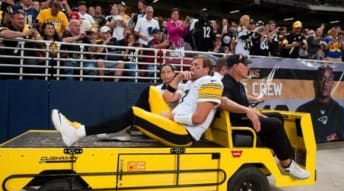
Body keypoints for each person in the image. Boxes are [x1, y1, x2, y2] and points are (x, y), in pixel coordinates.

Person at [51, 55, 223, 148]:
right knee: (151, 91)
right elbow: (168, 98)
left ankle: (78, 132)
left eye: (196, 66)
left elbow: (199, 119)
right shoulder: (193, 83)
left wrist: (172, 117)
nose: (191, 68)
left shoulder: (211, 82)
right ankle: (123, 129)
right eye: (191, 65)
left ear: (207, 69)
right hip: (173, 123)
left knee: (134, 113)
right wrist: (177, 79)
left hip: (183, 134)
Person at [221, 54, 310, 179]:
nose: (248, 67)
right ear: (236, 67)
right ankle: (287, 164)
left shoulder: (238, 84)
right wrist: (248, 110)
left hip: (241, 117)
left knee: (277, 116)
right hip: (237, 122)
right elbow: (223, 101)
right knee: (275, 124)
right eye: (245, 65)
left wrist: (253, 111)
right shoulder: (227, 83)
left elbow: (242, 102)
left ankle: (274, 151)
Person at [296, 66, 344, 143]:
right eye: (322, 79)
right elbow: (300, 140)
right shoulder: (303, 110)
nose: (325, 83)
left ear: (332, 84)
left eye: (329, 80)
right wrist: (325, 139)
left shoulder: (339, 111)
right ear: (315, 83)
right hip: (313, 154)